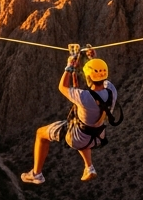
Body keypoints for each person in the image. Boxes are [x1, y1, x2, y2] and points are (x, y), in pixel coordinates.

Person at [20, 48, 119, 185]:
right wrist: (93, 60)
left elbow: (62, 87)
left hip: (77, 138)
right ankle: (89, 167)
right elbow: (101, 79)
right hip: (98, 137)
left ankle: (37, 174)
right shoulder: (112, 91)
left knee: (40, 134)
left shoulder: (84, 97)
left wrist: (69, 66)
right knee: (84, 129)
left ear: (88, 77)